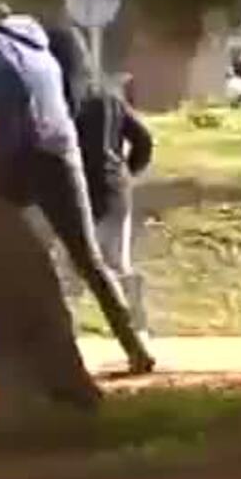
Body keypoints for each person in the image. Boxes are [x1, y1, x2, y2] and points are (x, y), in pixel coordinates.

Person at [0, 0, 156, 375]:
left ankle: (27, 355)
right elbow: (141, 139)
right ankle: (136, 346)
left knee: (8, 261)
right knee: (95, 262)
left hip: (25, 158)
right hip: (68, 159)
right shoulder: (40, 47)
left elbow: (7, 111)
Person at [76, 72, 155, 334]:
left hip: (74, 190)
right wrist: (126, 173)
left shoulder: (57, 99)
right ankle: (137, 326)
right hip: (113, 187)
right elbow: (143, 140)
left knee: (70, 265)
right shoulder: (109, 99)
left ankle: (62, 331)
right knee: (116, 262)